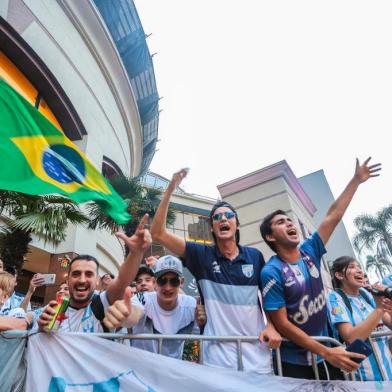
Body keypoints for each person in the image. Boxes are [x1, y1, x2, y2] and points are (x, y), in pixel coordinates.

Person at [260, 157, 380, 379]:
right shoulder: (271, 271)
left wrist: (356, 180)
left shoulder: (310, 250)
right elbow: (282, 324)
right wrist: (325, 351)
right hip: (294, 363)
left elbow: (333, 215)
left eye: (289, 220)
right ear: (269, 236)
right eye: (280, 222)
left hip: (327, 354)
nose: (289, 223)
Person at [150, 169, 281, 373]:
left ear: (237, 224)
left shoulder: (255, 256)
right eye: (217, 217)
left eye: (228, 215)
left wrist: (271, 326)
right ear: (212, 227)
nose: (223, 219)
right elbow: (158, 233)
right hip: (218, 362)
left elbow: (268, 299)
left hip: (257, 358)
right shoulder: (201, 255)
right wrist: (170, 189)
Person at [38, 215, 150, 333]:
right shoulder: (54, 309)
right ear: (67, 280)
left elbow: (122, 281)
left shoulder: (103, 303)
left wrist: (136, 254)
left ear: (97, 280)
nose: (82, 280)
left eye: (89, 274)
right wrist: (41, 328)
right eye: (76, 274)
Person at [104, 255, 198, 359]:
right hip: (141, 370)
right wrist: (125, 315)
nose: (168, 287)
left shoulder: (190, 304)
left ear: (181, 282)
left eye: (174, 281)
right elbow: (133, 314)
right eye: (162, 280)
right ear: (155, 282)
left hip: (171, 371)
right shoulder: (143, 298)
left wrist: (203, 319)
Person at [328, 256, 392, 381]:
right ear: (339, 275)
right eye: (352, 267)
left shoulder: (367, 295)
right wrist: (379, 309)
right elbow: (351, 337)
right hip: (364, 378)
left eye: (359, 267)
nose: (359, 271)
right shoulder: (335, 298)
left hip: (388, 372)